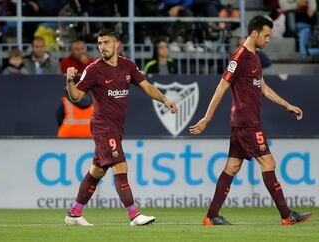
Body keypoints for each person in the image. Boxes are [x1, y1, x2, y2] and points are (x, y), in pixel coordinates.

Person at [189, 16, 312, 226]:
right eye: (266, 35)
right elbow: (221, 87)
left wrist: (287, 105)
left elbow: (262, 87)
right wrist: (207, 118)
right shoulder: (239, 57)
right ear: (254, 33)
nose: (268, 39)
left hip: (245, 122)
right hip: (247, 123)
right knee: (268, 162)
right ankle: (286, 215)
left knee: (232, 167)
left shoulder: (255, 57)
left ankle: (211, 216)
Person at [65, 29, 177, 226]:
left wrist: (164, 100)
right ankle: (134, 215)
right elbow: (76, 97)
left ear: (116, 44)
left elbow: (146, 86)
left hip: (117, 127)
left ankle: (74, 213)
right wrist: (69, 80)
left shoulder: (127, 66)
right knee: (120, 165)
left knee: (97, 171)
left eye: (106, 42)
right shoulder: (93, 70)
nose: (102, 47)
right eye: (99, 43)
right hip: (102, 126)